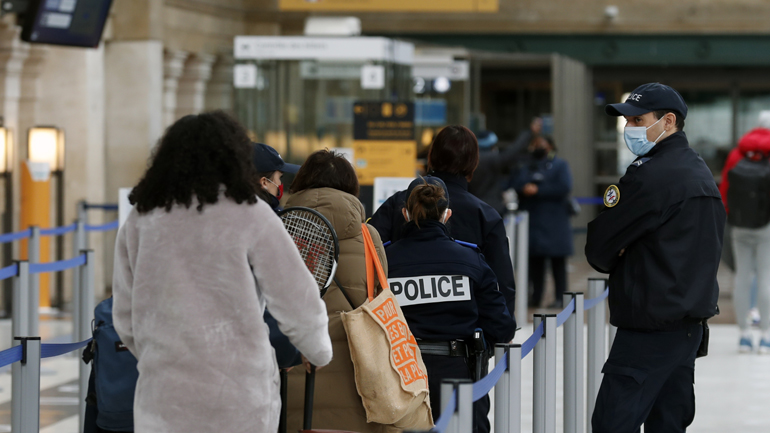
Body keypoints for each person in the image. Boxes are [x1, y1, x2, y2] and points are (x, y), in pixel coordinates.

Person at [112, 111, 333, 433]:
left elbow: (125, 311)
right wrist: (318, 349)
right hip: (239, 393)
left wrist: (155, 353)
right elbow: (295, 296)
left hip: (164, 394)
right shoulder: (251, 213)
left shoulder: (142, 217)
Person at [585, 83, 725, 433]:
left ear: (668, 121)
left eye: (638, 119)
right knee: (668, 424)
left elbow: (599, 247)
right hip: (688, 329)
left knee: (612, 423)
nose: (630, 127)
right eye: (628, 120)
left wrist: (623, 250)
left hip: (648, 329)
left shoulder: (650, 177)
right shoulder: (700, 174)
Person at [385, 176, 515, 433]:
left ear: (405, 213)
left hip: (400, 375)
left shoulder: (385, 261)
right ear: (447, 215)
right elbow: (501, 326)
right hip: (458, 373)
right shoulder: (470, 259)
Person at [283, 149, 395, 433]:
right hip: (358, 379)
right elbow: (381, 299)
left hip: (293, 372)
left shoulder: (278, 229)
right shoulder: (369, 238)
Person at [370, 125, 518, 323]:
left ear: (431, 155)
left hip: (400, 339)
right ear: (474, 162)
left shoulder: (398, 204)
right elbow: (502, 284)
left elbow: (369, 257)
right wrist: (500, 331)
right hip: (464, 340)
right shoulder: (485, 215)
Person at [718, 111, 770, 353]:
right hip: (767, 227)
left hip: (739, 225)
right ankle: (766, 336)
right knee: (766, 277)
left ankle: (744, 335)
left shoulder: (738, 153)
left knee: (742, 276)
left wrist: (729, 216)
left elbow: (725, 189)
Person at [251, 142, 304, 368]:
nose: (281, 185)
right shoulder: (267, 227)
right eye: (279, 178)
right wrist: (294, 351)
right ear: (264, 183)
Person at [512, 135, 574, 309]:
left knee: (558, 264)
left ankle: (561, 298)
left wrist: (538, 189)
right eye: (535, 144)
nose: (538, 147)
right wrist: (524, 188)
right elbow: (516, 183)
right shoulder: (526, 166)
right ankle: (535, 297)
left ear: (551, 147)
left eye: (542, 145)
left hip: (555, 223)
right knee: (535, 264)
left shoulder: (560, 165)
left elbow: (564, 187)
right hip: (533, 223)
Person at [468, 125, 532, 216]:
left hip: (473, 207)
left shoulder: (469, 160)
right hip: (491, 208)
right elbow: (512, 152)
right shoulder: (492, 158)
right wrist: (528, 133)